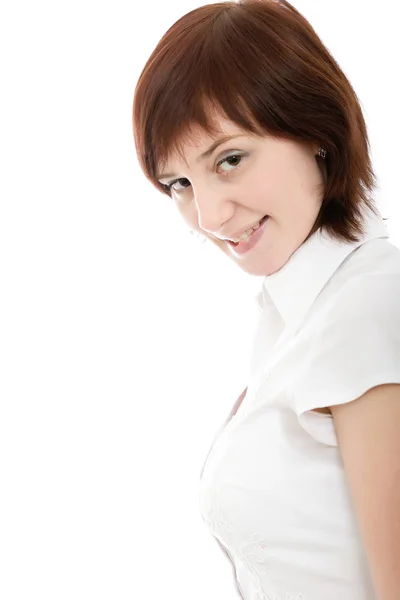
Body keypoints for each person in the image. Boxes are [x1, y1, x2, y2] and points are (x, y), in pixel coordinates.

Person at [132, 1, 400, 598]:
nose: (208, 215)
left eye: (229, 159)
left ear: (317, 132)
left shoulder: (367, 309)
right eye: (180, 183)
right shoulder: (293, 314)